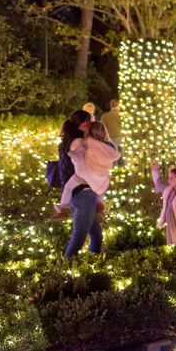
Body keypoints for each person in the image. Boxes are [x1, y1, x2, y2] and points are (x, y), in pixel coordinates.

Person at [57, 110, 104, 258]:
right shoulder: (79, 142)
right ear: (83, 123)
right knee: (79, 237)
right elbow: (86, 164)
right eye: (89, 121)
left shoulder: (73, 139)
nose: (91, 124)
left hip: (79, 192)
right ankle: (67, 266)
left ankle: (93, 262)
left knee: (96, 235)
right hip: (83, 193)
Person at [54, 121, 121, 217]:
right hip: (100, 175)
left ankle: (64, 208)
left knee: (68, 187)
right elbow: (112, 156)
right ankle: (99, 208)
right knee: (102, 189)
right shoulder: (110, 146)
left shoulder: (87, 143)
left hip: (84, 174)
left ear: (89, 131)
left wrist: (72, 154)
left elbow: (78, 155)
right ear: (104, 132)